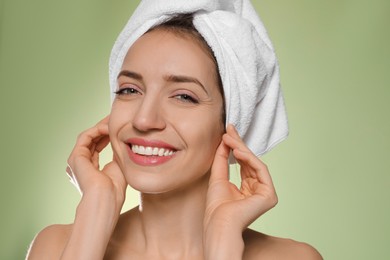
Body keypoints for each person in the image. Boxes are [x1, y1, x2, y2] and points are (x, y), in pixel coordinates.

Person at [27, 1, 322, 259]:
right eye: (129, 90)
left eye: (184, 96)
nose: (144, 119)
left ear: (230, 124)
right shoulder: (56, 247)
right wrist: (94, 214)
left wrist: (223, 245)